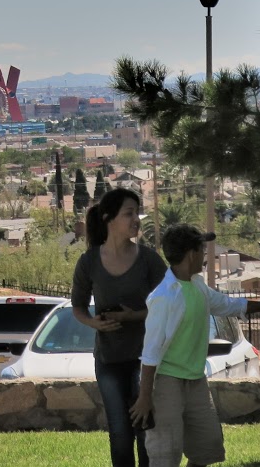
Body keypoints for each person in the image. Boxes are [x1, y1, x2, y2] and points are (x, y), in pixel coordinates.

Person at [130, 224, 260, 467]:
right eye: (202, 249)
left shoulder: (197, 286)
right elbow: (151, 352)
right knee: (166, 456)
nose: (205, 254)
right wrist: (145, 397)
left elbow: (228, 304)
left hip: (196, 380)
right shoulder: (164, 296)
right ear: (191, 254)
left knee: (208, 448)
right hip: (166, 383)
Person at [72, 187, 167, 467]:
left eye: (137, 213)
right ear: (108, 219)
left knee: (145, 431)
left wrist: (133, 316)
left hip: (144, 359)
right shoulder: (89, 261)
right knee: (120, 434)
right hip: (108, 360)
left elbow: (168, 305)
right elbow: (77, 306)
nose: (136, 219)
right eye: (129, 214)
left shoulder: (149, 259)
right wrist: (93, 323)